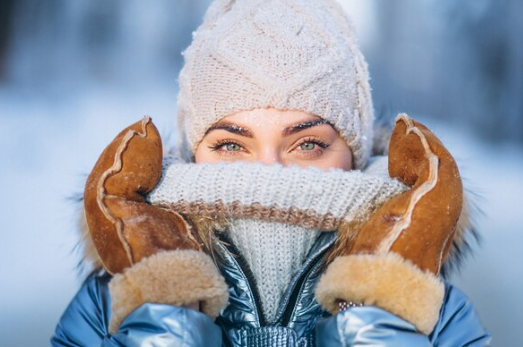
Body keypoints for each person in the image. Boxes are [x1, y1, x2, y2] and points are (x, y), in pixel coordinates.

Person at [51, 0, 491, 346]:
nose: (267, 173)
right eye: (230, 144)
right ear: (192, 152)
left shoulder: (430, 314)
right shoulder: (111, 307)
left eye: (307, 144)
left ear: (354, 154)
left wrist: (386, 320)